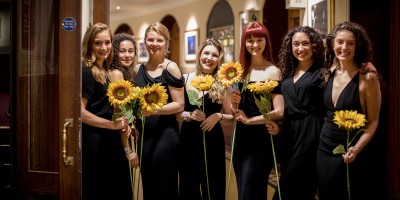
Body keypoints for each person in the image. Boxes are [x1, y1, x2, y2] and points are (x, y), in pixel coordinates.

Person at [316, 21, 381, 200]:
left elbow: (373, 121)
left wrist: (356, 149)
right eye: (340, 42)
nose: (344, 47)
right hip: (324, 148)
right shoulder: (329, 71)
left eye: (350, 43)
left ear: (357, 45)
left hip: (351, 151)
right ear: (332, 43)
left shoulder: (367, 76)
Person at [266, 26, 327, 200]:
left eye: (305, 44)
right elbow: (285, 110)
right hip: (288, 135)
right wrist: (278, 127)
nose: (300, 48)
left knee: (288, 186)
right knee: (298, 187)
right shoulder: (286, 73)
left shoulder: (323, 73)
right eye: (296, 44)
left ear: (314, 45)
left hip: (311, 132)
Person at [230, 22, 284, 200]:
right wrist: (234, 104)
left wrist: (249, 121)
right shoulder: (239, 71)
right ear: (244, 43)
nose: (255, 45)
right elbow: (235, 111)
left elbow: (279, 111)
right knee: (243, 188)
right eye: (250, 40)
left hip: (261, 139)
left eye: (259, 39)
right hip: (240, 138)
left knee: (252, 189)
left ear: (266, 41)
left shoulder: (273, 71)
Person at [133, 22, 184, 199]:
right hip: (144, 138)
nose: (155, 43)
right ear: (145, 42)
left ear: (167, 43)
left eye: (159, 40)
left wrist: (154, 110)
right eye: (150, 39)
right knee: (149, 187)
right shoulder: (138, 69)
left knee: (165, 189)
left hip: (165, 138)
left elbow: (179, 105)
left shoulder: (171, 67)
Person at [81, 23, 132, 200]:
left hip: (108, 138)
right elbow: (80, 113)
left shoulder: (103, 70)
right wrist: (111, 124)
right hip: (96, 141)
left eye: (107, 42)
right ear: (89, 45)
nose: (104, 48)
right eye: (98, 43)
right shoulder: (87, 72)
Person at [179, 38, 233, 200]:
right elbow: (177, 112)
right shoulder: (185, 79)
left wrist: (218, 116)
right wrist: (187, 115)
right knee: (189, 187)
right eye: (206, 53)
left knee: (213, 186)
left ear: (219, 59)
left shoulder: (222, 83)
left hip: (212, 141)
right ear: (199, 55)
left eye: (214, 55)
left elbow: (232, 116)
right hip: (189, 140)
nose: (209, 58)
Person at [108, 32, 139, 169]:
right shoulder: (117, 73)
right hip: (117, 136)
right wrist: (127, 149)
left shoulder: (127, 71)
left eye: (131, 51)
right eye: (122, 51)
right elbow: (117, 111)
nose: (127, 55)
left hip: (123, 131)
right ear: (115, 53)